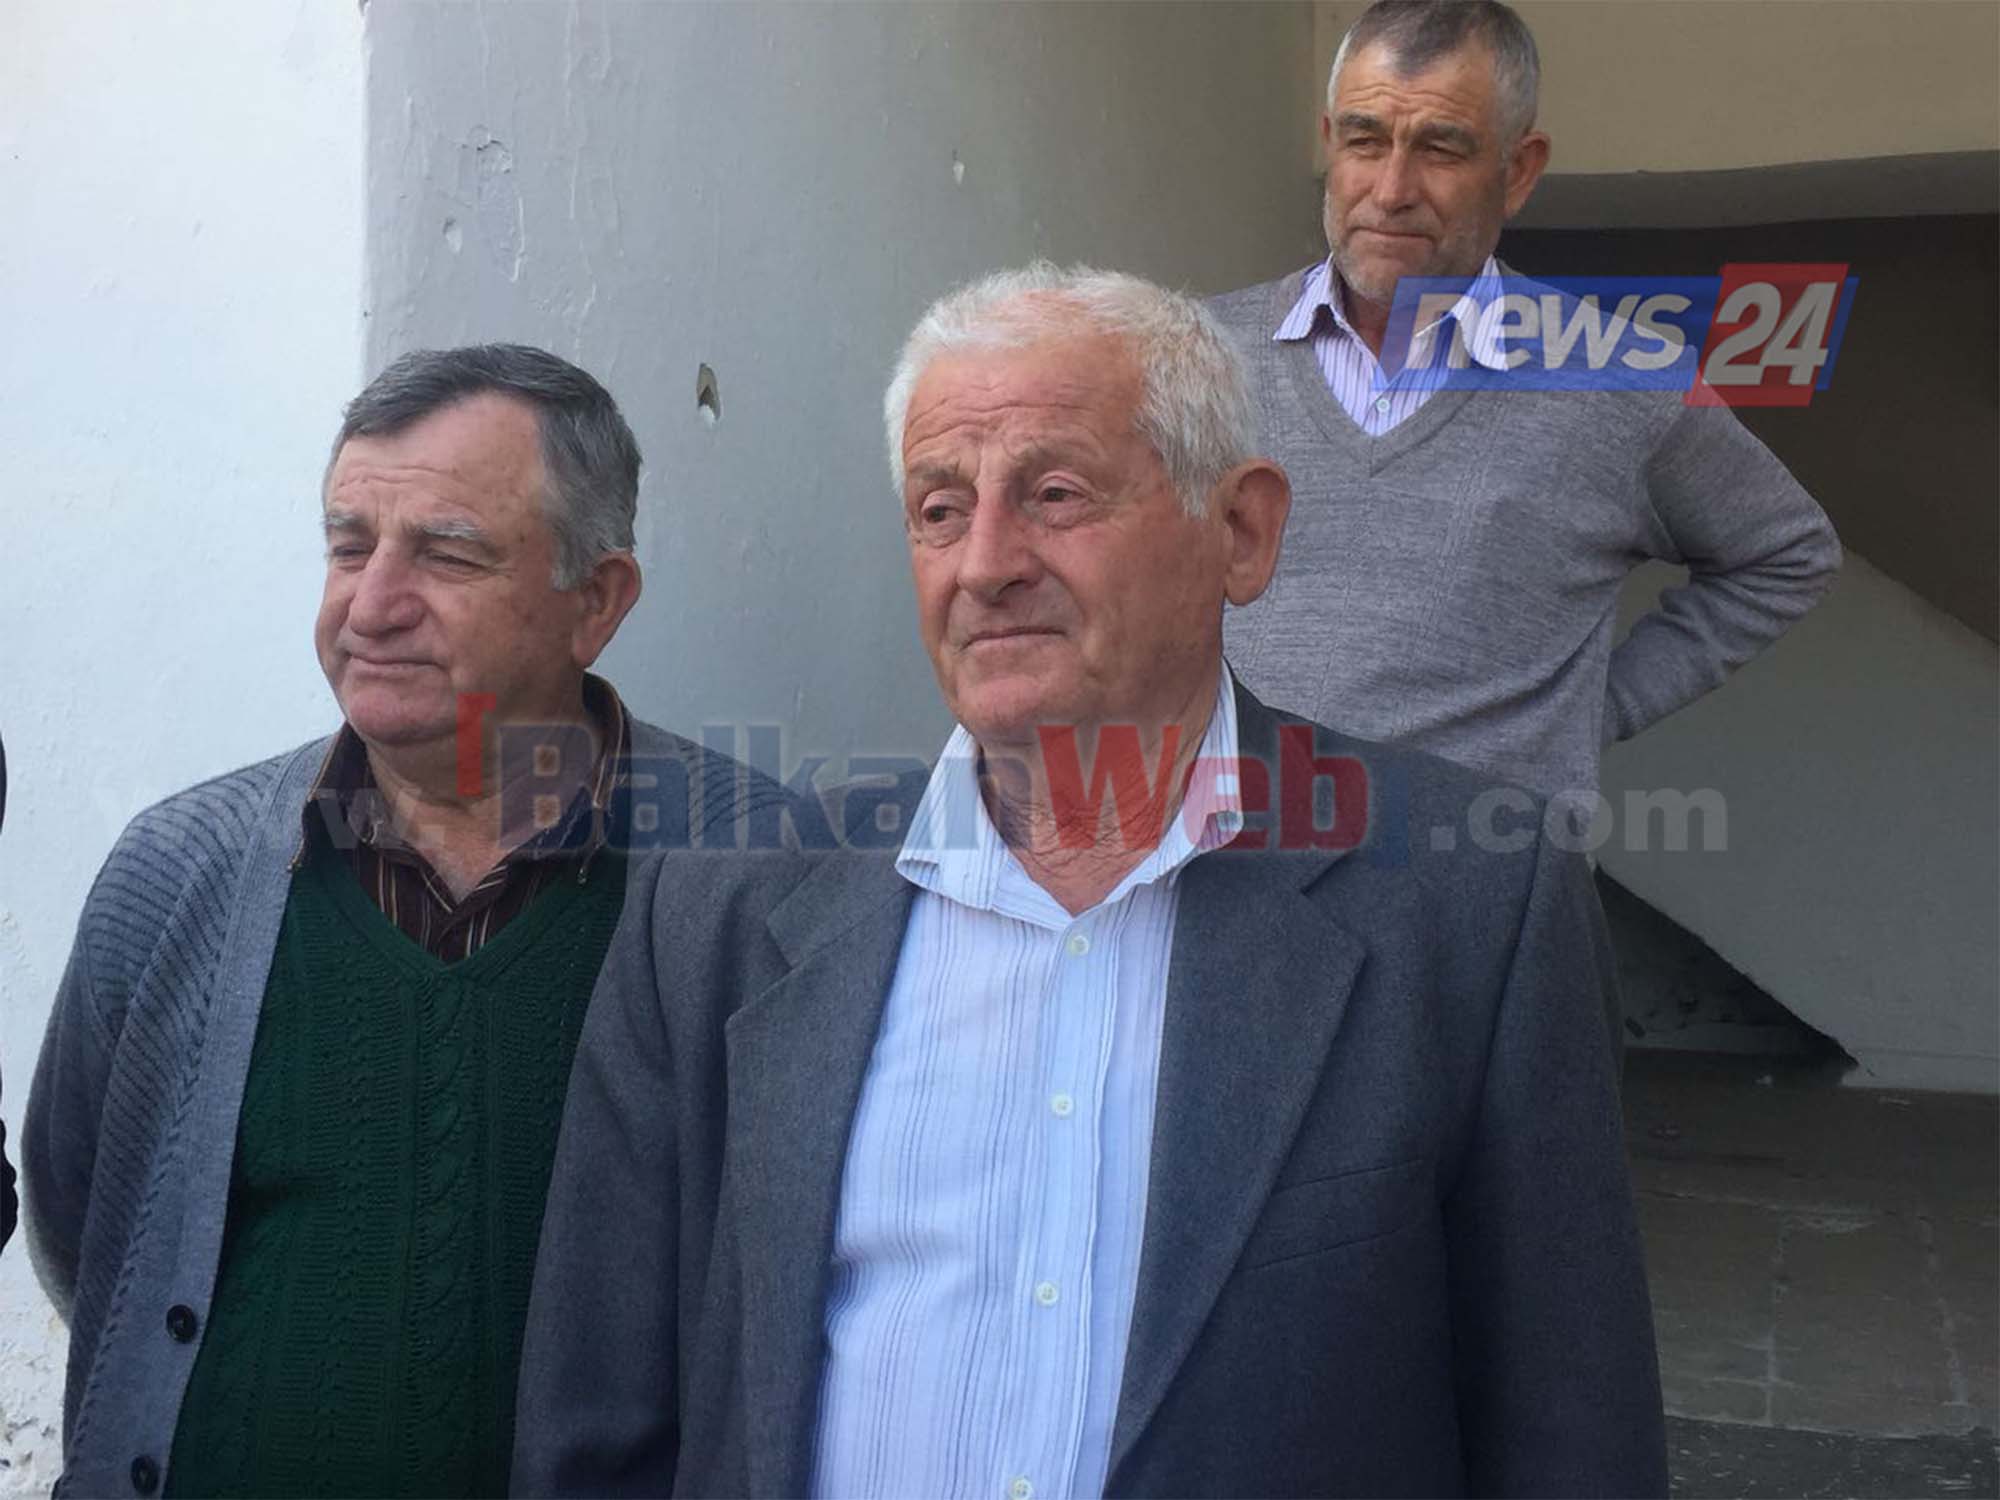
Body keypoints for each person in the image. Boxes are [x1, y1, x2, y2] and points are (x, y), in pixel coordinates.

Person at [512, 266, 1668, 1498]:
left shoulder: (1470, 907)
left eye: (1054, 493)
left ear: (1239, 532)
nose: (985, 564)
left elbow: (1568, 1435)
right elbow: (600, 1422)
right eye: (939, 509)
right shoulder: (720, 916)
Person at [25, 345, 784, 1499]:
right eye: (348, 546)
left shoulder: (762, 877)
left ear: (596, 602)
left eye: (447, 552)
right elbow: (93, 1225)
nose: (371, 607)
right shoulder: (177, 869)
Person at [1210, 0, 1840, 806]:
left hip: (1484, 868)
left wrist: (1581, 718)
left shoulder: (1624, 380)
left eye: (1441, 148)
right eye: (1365, 140)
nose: (1392, 190)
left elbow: (1786, 555)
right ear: (1331, 142)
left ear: (1519, 172)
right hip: (1226, 858)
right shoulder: (1195, 356)